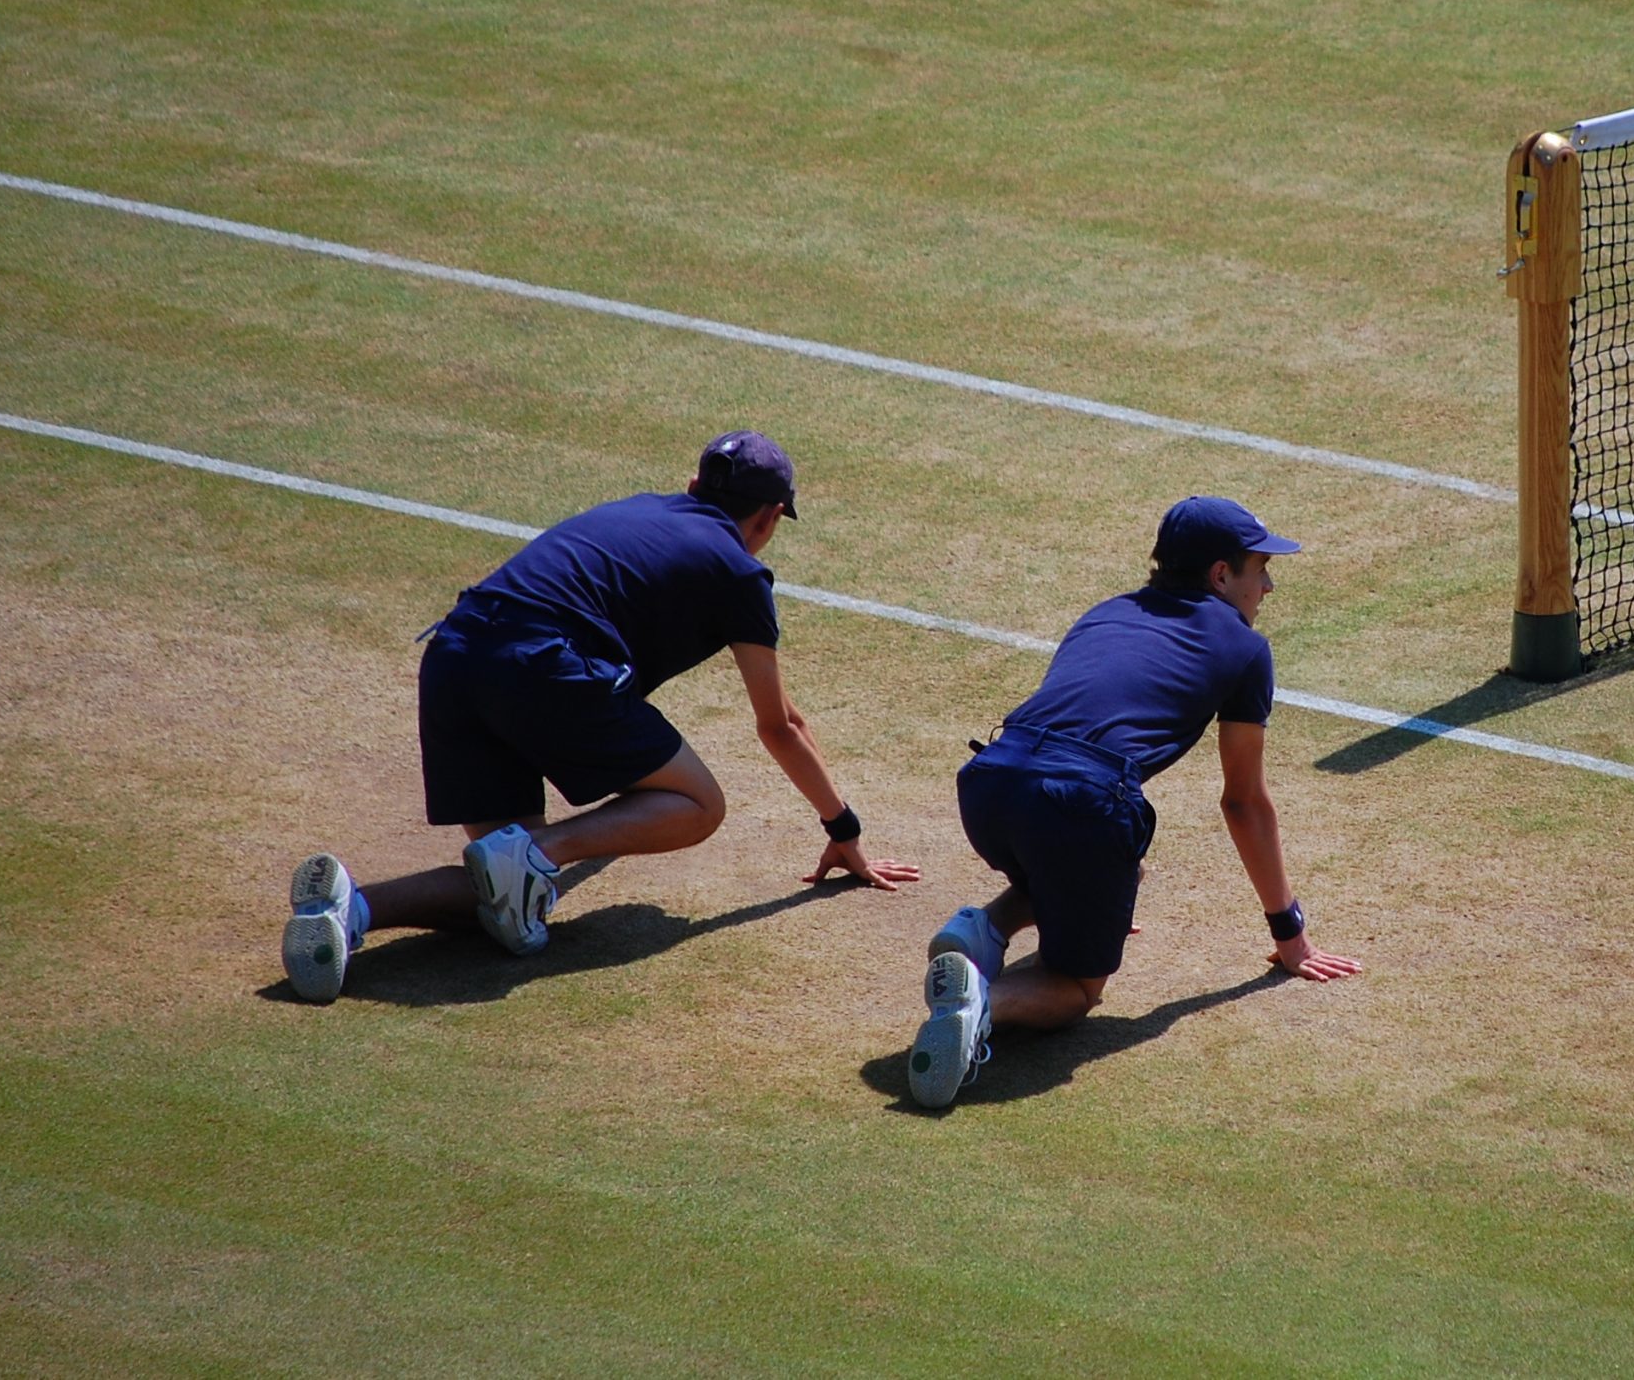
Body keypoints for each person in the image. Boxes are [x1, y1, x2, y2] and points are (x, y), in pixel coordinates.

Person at [281, 431, 917, 1001]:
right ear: (771, 516)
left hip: (456, 655)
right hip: (538, 666)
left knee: (509, 896)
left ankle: (347, 909)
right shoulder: (738, 571)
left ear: (693, 484)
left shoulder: (637, 508)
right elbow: (780, 725)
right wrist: (844, 827)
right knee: (699, 806)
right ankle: (537, 852)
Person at [908, 495, 1361, 1107]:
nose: (1270, 585)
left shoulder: (1105, 612)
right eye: (1260, 569)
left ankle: (981, 927)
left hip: (989, 779)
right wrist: (1290, 934)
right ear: (1221, 575)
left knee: (1106, 864)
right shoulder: (1246, 649)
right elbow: (1244, 803)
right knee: (1076, 989)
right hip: (1078, 805)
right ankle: (984, 1000)